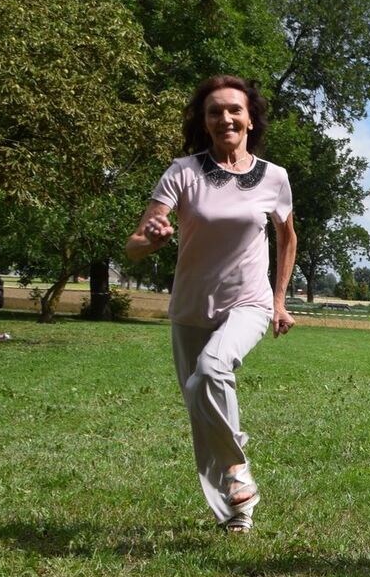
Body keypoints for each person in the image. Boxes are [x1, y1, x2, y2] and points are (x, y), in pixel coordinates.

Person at [127, 75, 296, 533]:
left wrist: (279, 300)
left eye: (234, 110)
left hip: (249, 302)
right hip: (190, 306)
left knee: (210, 371)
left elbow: (287, 237)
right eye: (214, 112)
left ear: (250, 119)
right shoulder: (182, 172)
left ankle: (238, 471)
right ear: (204, 122)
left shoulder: (275, 177)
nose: (226, 118)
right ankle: (236, 513)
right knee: (202, 409)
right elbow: (135, 244)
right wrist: (153, 238)